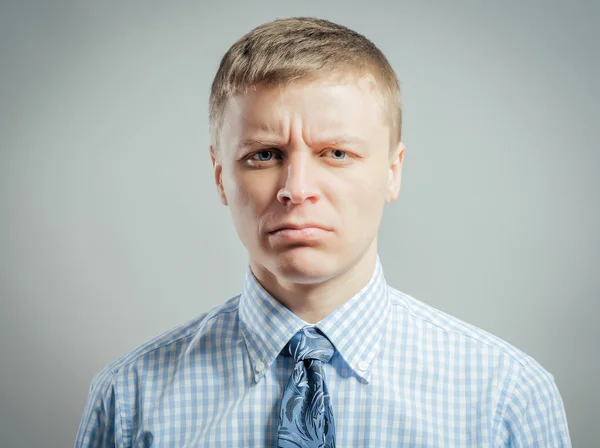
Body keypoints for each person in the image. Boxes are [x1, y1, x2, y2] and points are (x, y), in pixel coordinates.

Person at [75, 17, 571, 447]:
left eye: (336, 153)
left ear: (392, 172)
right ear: (220, 176)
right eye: (264, 155)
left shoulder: (507, 396)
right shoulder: (129, 399)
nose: (297, 189)